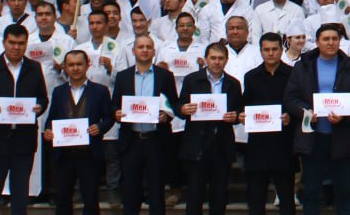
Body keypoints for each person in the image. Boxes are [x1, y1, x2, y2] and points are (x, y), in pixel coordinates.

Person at [284, 23, 350, 215]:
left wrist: (345, 116)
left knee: (344, 190)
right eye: (326, 39)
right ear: (317, 42)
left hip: (342, 135)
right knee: (312, 190)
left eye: (334, 39)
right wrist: (305, 112)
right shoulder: (303, 66)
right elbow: (290, 98)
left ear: (340, 41)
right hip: (313, 137)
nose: (331, 42)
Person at [0, 23, 48, 215]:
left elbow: (43, 98)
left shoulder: (34, 68)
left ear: (26, 44)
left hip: (23, 141)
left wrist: (39, 108)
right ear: (4, 42)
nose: (16, 47)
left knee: (20, 195)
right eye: (12, 43)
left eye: (21, 43)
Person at [111, 34, 178, 215]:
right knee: (130, 190)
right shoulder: (123, 76)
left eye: (148, 47)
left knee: (156, 190)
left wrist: (166, 115)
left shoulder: (165, 76)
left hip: (156, 139)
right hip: (131, 140)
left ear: (154, 51)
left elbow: (174, 103)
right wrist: (116, 113)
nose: (145, 50)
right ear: (133, 51)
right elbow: (115, 104)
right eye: (141, 47)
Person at [43, 50, 114, 215]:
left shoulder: (100, 91)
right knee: (63, 198)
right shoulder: (59, 92)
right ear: (65, 67)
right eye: (71, 65)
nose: (75, 68)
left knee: (90, 198)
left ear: (87, 65)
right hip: (64, 153)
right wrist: (48, 131)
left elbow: (109, 117)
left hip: (89, 152)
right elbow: (52, 118)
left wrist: (100, 127)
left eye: (79, 64)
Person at [177, 42, 243, 215]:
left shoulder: (233, 84)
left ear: (226, 60)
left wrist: (235, 116)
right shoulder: (192, 80)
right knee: (194, 194)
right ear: (206, 59)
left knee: (219, 195)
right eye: (213, 58)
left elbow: (239, 110)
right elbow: (180, 105)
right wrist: (183, 109)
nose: (216, 62)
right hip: (197, 144)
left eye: (220, 58)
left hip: (221, 144)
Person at [242, 33, 296, 215]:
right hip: (258, 145)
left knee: (286, 199)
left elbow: (299, 103)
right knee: (256, 200)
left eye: (274, 49)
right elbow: (245, 104)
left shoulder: (293, 75)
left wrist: (290, 116)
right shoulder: (251, 77)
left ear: (281, 50)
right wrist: (243, 115)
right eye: (266, 49)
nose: (271, 53)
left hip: (284, 144)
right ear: (261, 51)